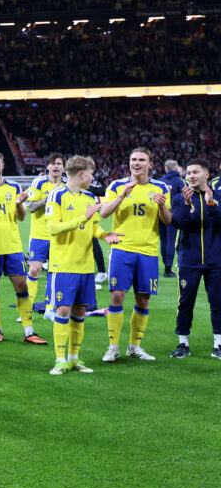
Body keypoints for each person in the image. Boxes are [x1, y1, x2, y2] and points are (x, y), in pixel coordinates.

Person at [45, 156, 122, 374]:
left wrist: (105, 235)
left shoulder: (89, 196)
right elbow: (53, 228)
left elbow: (94, 227)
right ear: (81, 174)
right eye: (91, 173)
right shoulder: (56, 195)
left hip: (86, 265)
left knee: (79, 311)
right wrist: (82, 217)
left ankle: (73, 359)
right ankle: (59, 360)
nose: (93, 177)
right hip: (64, 265)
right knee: (62, 310)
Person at [99, 148, 172, 362]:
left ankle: (135, 346)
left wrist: (161, 207)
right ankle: (113, 347)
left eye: (141, 160)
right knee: (117, 295)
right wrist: (123, 195)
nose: (136, 163)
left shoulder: (160, 187)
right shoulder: (116, 185)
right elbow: (104, 212)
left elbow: (167, 219)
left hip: (148, 250)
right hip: (122, 248)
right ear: (128, 163)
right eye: (133, 159)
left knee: (144, 299)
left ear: (150, 164)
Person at [0, 152, 46, 345]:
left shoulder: (13, 187)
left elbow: (21, 217)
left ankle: (29, 331)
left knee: (21, 286)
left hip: (12, 246)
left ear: (3, 166)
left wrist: (19, 204)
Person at [168, 159, 221, 359]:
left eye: (195, 172)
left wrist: (210, 203)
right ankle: (183, 343)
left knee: (218, 303)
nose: (190, 176)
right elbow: (179, 224)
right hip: (188, 260)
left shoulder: (218, 196)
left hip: (216, 260)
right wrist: (187, 204)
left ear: (206, 175)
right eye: (188, 172)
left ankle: (218, 344)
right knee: (185, 303)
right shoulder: (179, 198)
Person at [23, 153, 66, 314]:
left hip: (59, 235)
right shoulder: (39, 182)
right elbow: (32, 207)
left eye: (59, 164)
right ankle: (27, 309)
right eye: (53, 163)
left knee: (55, 273)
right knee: (34, 270)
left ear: (63, 167)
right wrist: (51, 197)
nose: (56, 166)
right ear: (47, 166)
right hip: (39, 235)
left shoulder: (67, 184)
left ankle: (49, 309)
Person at [158, 159, 184, 278]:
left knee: (163, 241)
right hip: (173, 216)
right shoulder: (179, 182)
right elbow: (184, 198)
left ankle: (165, 265)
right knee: (171, 242)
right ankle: (168, 269)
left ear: (165, 169)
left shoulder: (159, 182)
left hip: (160, 215)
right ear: (176, 169)